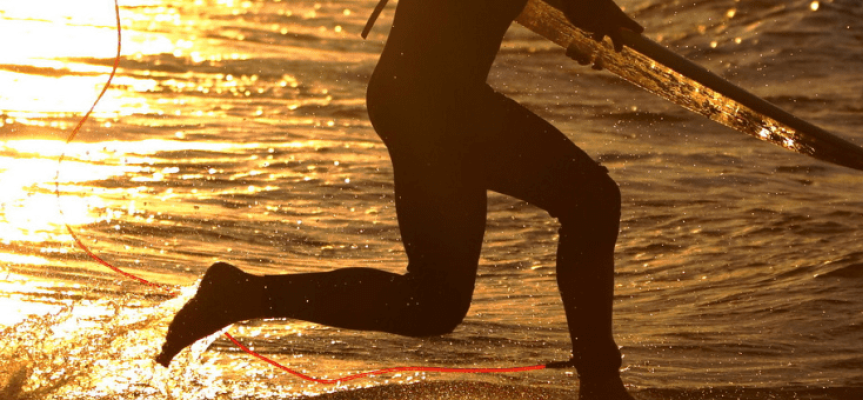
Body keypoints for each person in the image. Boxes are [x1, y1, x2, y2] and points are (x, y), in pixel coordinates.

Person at [154, 0, 644, 398]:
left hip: (427, 95)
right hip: (436, 102)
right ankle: (599, 380)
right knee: (590, 199)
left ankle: (243, 294)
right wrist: (591, 9)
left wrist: (586, 14)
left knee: (433, 303)